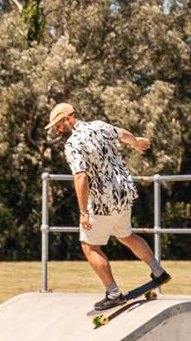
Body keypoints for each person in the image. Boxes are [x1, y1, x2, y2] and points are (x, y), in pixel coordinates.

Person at [46, 102, 169, 310]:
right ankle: (158, 271)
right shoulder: (99, 125)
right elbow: (122, 134)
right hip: (123, 193)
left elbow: (81, 177)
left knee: (89, 246)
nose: (57, 130)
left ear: (67, 119)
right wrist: (136, 142)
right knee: (126, 235)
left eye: (58, 125)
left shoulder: (73, 144)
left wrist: (84, 211)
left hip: (102, 201)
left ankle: (113, 293)